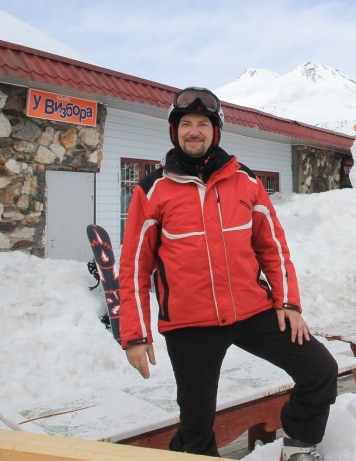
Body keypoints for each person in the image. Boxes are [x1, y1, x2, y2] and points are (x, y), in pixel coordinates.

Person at [118, 87, 337, 460]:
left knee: (320, 369)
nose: (193, 131)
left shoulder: (246, 182)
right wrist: (135, 334)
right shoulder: (152, 190)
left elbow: (273, 247)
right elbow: (135, 266)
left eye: (202, 123)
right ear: (175, 131)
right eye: (185, 123)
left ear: (215, 131)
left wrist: (287, 303)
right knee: (196, 424)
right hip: (190, 324)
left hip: (252, 311)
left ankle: (299, 445)